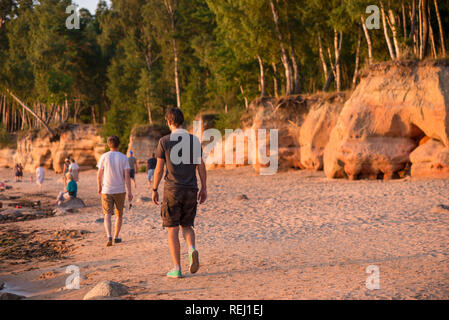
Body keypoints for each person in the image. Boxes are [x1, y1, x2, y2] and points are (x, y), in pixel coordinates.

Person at [152, 107, 207, 279]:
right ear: (182, 121)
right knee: (188, 225)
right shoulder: (194, 140)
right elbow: (201, 166)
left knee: (172, 229)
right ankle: (192, 249)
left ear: (169, 122)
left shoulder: (164, 141)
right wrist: (204, 187)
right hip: (191, 189)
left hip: (173, 190)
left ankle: (177, 268)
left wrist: (154, 188)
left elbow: (159, 169)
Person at [97, 136, 133, 247]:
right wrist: (130, 192)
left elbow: (99, 175)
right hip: (120, 190)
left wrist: (99, 187)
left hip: (106, 189)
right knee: (119, 214)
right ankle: (116, 237)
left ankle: (109, 236)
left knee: (107, 213)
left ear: (108, 144)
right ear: (119, 144)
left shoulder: (104, 156)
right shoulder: (123, 157)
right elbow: (127, 176)